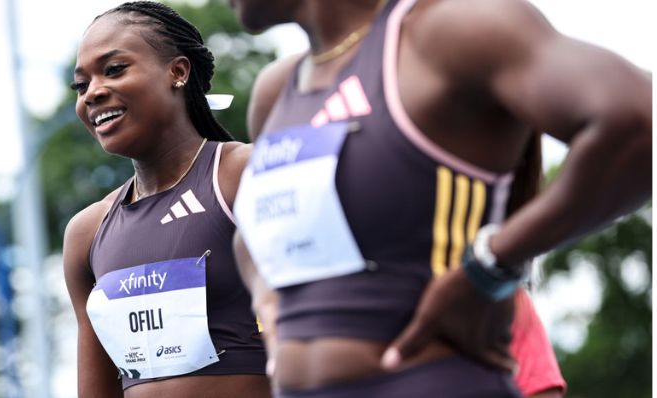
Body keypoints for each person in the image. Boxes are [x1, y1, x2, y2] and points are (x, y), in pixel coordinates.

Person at [228, 0, 652, 397]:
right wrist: (267, 297)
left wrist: (490, 267)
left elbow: (638, 121)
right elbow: (250, 232)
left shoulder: (444, 31)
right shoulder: (276, 93)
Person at [62, 2, 269, 397]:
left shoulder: (242, 175)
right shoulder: (87, 234)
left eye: (114, 69)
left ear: (177, 72)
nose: (93, 93)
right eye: (81, 84)